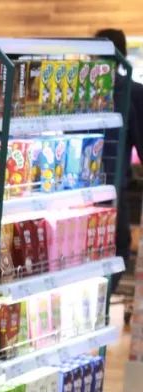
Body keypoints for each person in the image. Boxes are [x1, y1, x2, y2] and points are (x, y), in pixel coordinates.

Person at [96, 28, 143, 295]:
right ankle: (100, 304)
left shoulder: (83, 93)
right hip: (114, 188)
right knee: (117, 250)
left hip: (75, 189)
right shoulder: (133, 92)